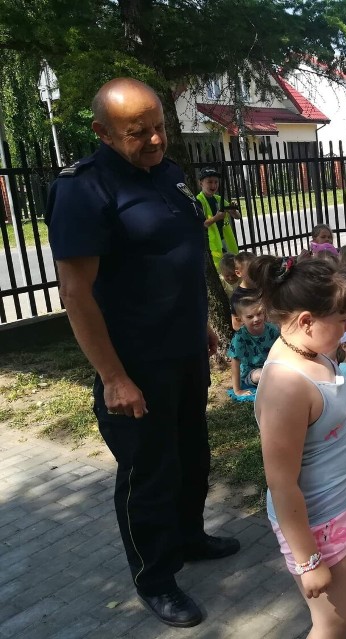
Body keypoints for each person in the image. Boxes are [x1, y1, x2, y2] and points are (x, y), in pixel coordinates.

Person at [45, 78, 239, 628]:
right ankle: (155, 577)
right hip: (134, 364)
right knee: (148, 472)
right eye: (138, 133)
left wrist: (199, 322)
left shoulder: (170, 176)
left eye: (158, 126)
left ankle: (189, 538)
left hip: (182, 351)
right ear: (102, 133)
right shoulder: (85, 189)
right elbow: (76, 294)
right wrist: (112, 377)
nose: (155, 139)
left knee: (191, 456)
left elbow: (174, 260)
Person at [251, 255, 346, 638]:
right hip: (319, 525)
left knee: (340, 613)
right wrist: (307, 559)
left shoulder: (315, 350)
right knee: (332, 625)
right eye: (342, 319)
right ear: (306, 321)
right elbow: (281, 483)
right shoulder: (286, 386)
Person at [228, 297, 280, 396]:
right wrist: (237, 390)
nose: (256, 319)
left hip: (273, 366)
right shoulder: (240, 337)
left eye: (259, 314)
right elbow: (235, 364)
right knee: (259, 375)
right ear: (240, 319)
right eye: (250, 317)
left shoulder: (273, 330)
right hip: (252, 373)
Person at [196, 167, 241, 272]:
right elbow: (201, 225)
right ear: (201, 183)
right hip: (212, 244)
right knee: (219, 271)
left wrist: (233, 211)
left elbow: (237, 216)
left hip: (225, 241)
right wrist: (216, 218)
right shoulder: (199, 201)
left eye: (216, 182)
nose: (213, 185)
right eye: (210, 182)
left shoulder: (219, 199)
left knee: (232, 269)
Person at [230, 251, 258, 330]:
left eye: (256, 270)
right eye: (250, 272)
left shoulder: (263, 287)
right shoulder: (237, 297)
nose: (255, 274)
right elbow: (236, 325)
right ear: (238, 273)